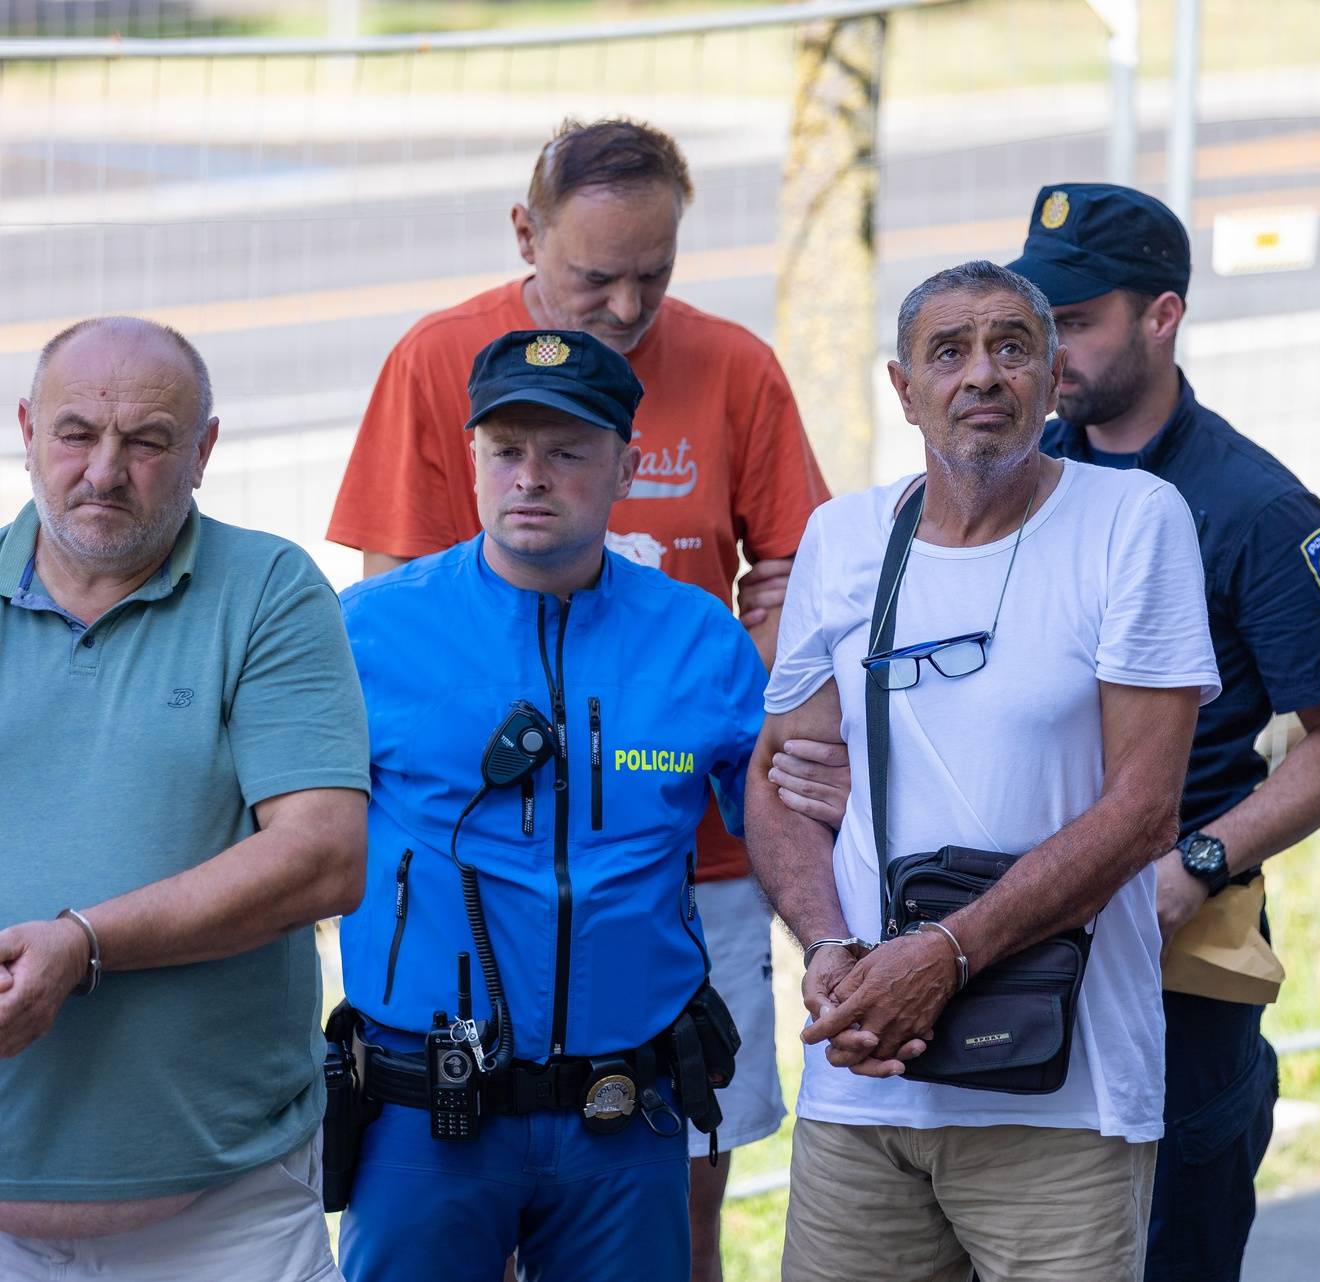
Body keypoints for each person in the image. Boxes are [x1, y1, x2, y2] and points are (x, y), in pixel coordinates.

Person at [325, 117, 830, 1273]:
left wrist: (746, 711)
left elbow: (795, 588)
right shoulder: (383, 615)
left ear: (625, 459)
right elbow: (333, 751)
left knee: (695, 1191)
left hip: (666, 891)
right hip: (443, 1016)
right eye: (595, 275)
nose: (624, 304)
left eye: (652, 275)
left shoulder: (699, 627)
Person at [746, 260, 1219, 1282]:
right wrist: (828, 941)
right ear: (902, 386)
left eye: (1013, 347)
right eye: (948, 351)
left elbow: (1144, 811)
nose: (983, 375)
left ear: (1054, 380)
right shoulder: (845, 537)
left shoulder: (1133, 524)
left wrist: (946, 955)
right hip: (866, 1076)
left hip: (1063, 1090)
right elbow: (779, 776)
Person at [334, 329, 766, 1281]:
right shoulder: (367, 632)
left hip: (625, 1115)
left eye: (566, 452)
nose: (531, 477)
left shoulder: (700, 637)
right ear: (475, 460)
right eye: (507, 451)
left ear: (628, 467)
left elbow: (792, 825)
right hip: (424, 1113)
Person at [1004, 182, 1320, 1282]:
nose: (1046, 347)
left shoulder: (1253, 506)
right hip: (1015, 941)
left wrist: (1200, 861)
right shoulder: (1019, 478)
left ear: (1162, 318)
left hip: (1174, 968)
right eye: (1038, 318)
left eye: (1074, 321)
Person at [0, 317, 369, 1280]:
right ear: (28, 429)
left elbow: (324, 856)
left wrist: (83, 942)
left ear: (204, 451)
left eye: (149, 441)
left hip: (228, 1213)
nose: (106, 470)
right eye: (77, 433)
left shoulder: (269, 591)